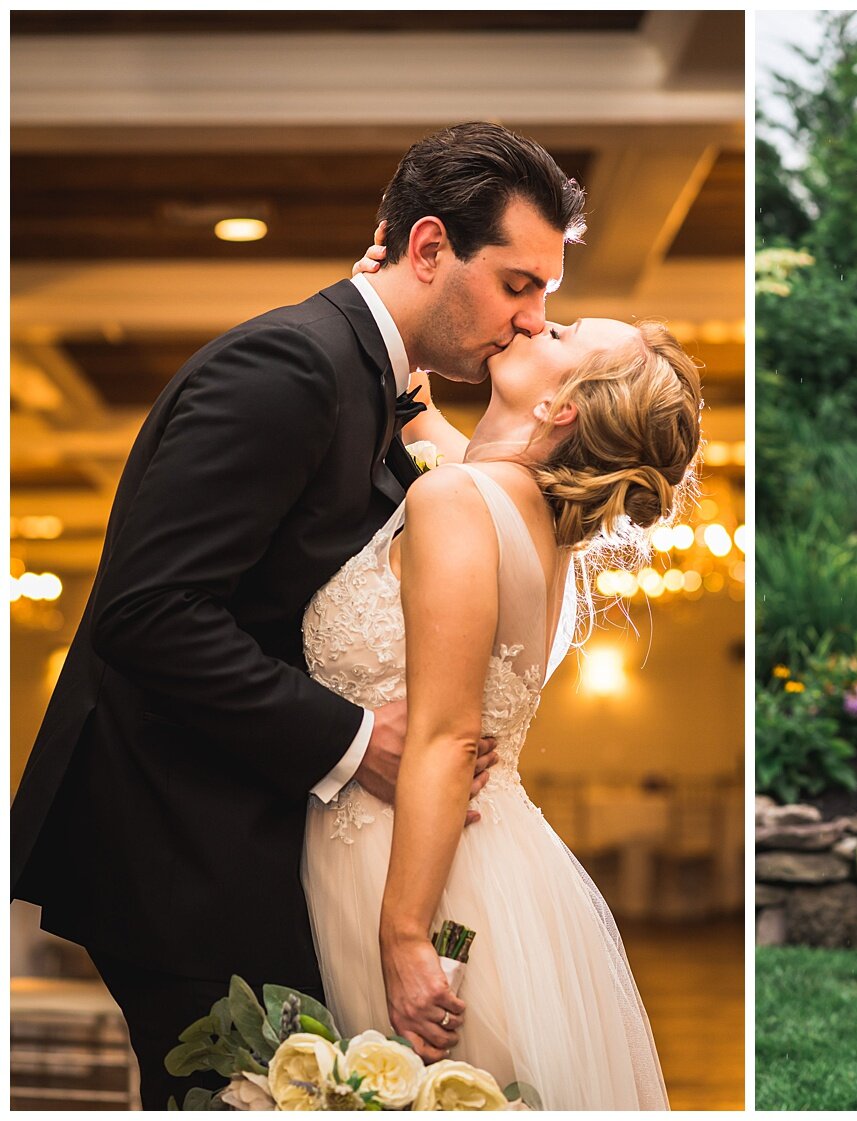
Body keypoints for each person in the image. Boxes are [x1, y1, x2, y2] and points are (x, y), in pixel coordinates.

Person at [10, 122, 584, 1108]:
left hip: (274, 838)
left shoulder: (376, 382)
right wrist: (363, 738)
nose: (530, 321)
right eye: (518, 284)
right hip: (181, 846)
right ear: (430, 247)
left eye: (547, 298)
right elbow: (149, 612)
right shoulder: (288, 365)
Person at [300, 284, 700, 1107]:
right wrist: (390, 314)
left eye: (555, 329)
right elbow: (451, 444)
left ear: (561, 407)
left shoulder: (455, 500)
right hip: (493, 874)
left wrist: (406, 933)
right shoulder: (535, 518)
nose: (529, 319)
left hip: (416, 872)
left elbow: (447, 737)